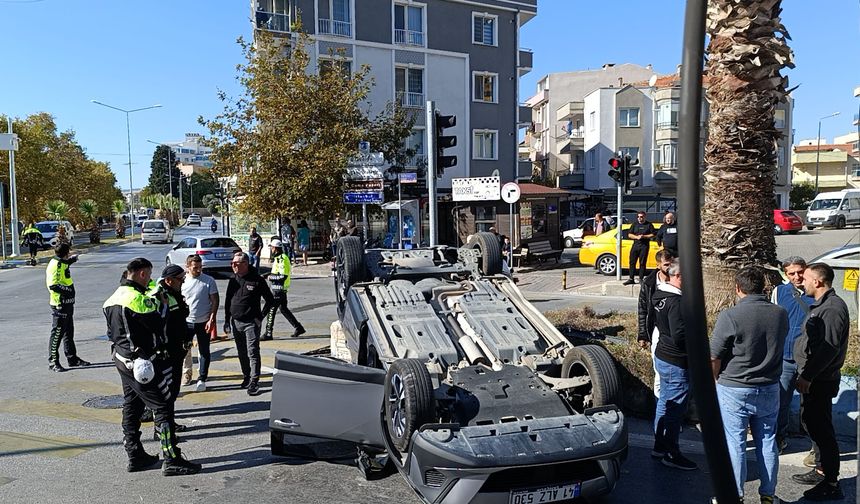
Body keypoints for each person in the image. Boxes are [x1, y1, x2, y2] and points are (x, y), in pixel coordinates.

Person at [103, 257, 201, 475]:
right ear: (141, 274)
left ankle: (135, 454)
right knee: (163, 406)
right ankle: (172, 458)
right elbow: (158, 325)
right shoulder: (138, 300)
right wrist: (163, 308)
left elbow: (111, 333)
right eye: (148, 275)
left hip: (122, 359)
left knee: (132, 405)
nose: (149, 281)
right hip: (142, 364)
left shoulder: (111, 299)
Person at [710, 267, 788, 504]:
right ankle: (768, 494)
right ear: (763, 288)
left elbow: (714, 356)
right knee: (767, 441)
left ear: (738, 288)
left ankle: (735, 495)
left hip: (735, 387)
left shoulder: (730, 315)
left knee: (735, 443)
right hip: (769, 386)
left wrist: (712, 383)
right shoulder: (780, 313)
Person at [790, 263, 850, 501]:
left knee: (822, 430)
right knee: (812, 424)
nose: (801, 282)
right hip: (813, 378)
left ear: (818, 282)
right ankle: (821, 470)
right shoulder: (822, 306)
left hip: (820, 380)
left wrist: (808, 376)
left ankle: (832, 483)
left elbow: (829, 348)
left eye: (805, 278)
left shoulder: (833, 309)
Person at [651, 259, 697, 470]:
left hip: (663, 355)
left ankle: (659, 445)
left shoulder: (660, 295)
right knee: (676, 407)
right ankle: (671, 451)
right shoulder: (676, 302)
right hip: (676, 360)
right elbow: (680, 334)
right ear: (678, 277)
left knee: (665, 401)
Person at [770, 256, 815, 454]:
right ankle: (779, 439)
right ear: (785, 274)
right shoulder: (779, 292)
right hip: (786, 358)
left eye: (800, 271)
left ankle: (816, 446)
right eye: (791, 273)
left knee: (813, 404)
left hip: (809, 358)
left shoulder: (816, 292)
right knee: (781, 401)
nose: (797, 276)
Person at [149, 265, 193, 439]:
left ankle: (169, 422)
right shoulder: (159, 296)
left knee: (172, 392)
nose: (182, 282)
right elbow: (157, 325)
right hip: (166, 353)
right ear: (169, 280)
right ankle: (160, 429)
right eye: (180, 280)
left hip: (177, 349)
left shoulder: (172, 293)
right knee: (165, 393)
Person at [224, 252, 275, 396]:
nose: (233, 265)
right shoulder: (233, 279)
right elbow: (228, 300)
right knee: (241, 352)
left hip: (251, 323)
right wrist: (227, 320)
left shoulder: (257, 280)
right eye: (232, 263)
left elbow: (270, 301)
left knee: (252, 351)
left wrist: (259, 318)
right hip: (236, 322)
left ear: (245, 264)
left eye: (236, 263)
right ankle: (246, 376)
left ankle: (254, 381)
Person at [45, 243, 90, 372]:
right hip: (60, 304)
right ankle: (53, 362)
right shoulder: (55, 265)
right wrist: (68, 291)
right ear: (66, 253)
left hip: (68, 304)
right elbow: (53, 285)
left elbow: (64, 266)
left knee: (68, 332)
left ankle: (72, 358)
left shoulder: (61, 261)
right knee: (57, 333)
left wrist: (72, 260)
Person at [636, 249, 675, 396]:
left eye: (671, 264)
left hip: (674, 331)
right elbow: (642, 310)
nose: (669, 267)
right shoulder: (649, 283)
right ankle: (659, 404)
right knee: (659, 371)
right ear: (658, 265)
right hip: (657, 331)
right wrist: (643, 334)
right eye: (666, 264)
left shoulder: (677, 280)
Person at [181, 255, 219, 392]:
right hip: (187, 322)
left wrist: (212, 318)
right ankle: (187, 373)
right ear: (188, 267)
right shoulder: (182, 281)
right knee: (185, 349)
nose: (198, 270)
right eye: (195, 268)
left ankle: (202, 377)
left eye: (200, 267)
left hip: (204, 322)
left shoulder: (208, 281)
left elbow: (215, 300)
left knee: (204, 351)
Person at [263, 240, 305, 340]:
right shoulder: (277, 258)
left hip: (279, 290)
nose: (271, 250)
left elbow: (282, 276)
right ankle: (298, 327)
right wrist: (265, 275)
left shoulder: (282, 259)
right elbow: (275, 272)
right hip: (277, 289)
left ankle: (268, 333)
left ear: (276, 248)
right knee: (283, 309)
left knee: (271, 310)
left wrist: (270, 278)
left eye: (272, 248)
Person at [624, 211, 655, 286]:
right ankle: (631, 278)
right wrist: (637, 237)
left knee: (642, 263)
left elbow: (653, 234)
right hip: (635, 245)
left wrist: (644, 236)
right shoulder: (634, 224)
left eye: (641, 217)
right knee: (632, 262)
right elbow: (629, 234)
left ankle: (641, 278)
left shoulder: (649, 225)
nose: (640, 218)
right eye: (638, 217)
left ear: (644, 217)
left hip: (644, 246)